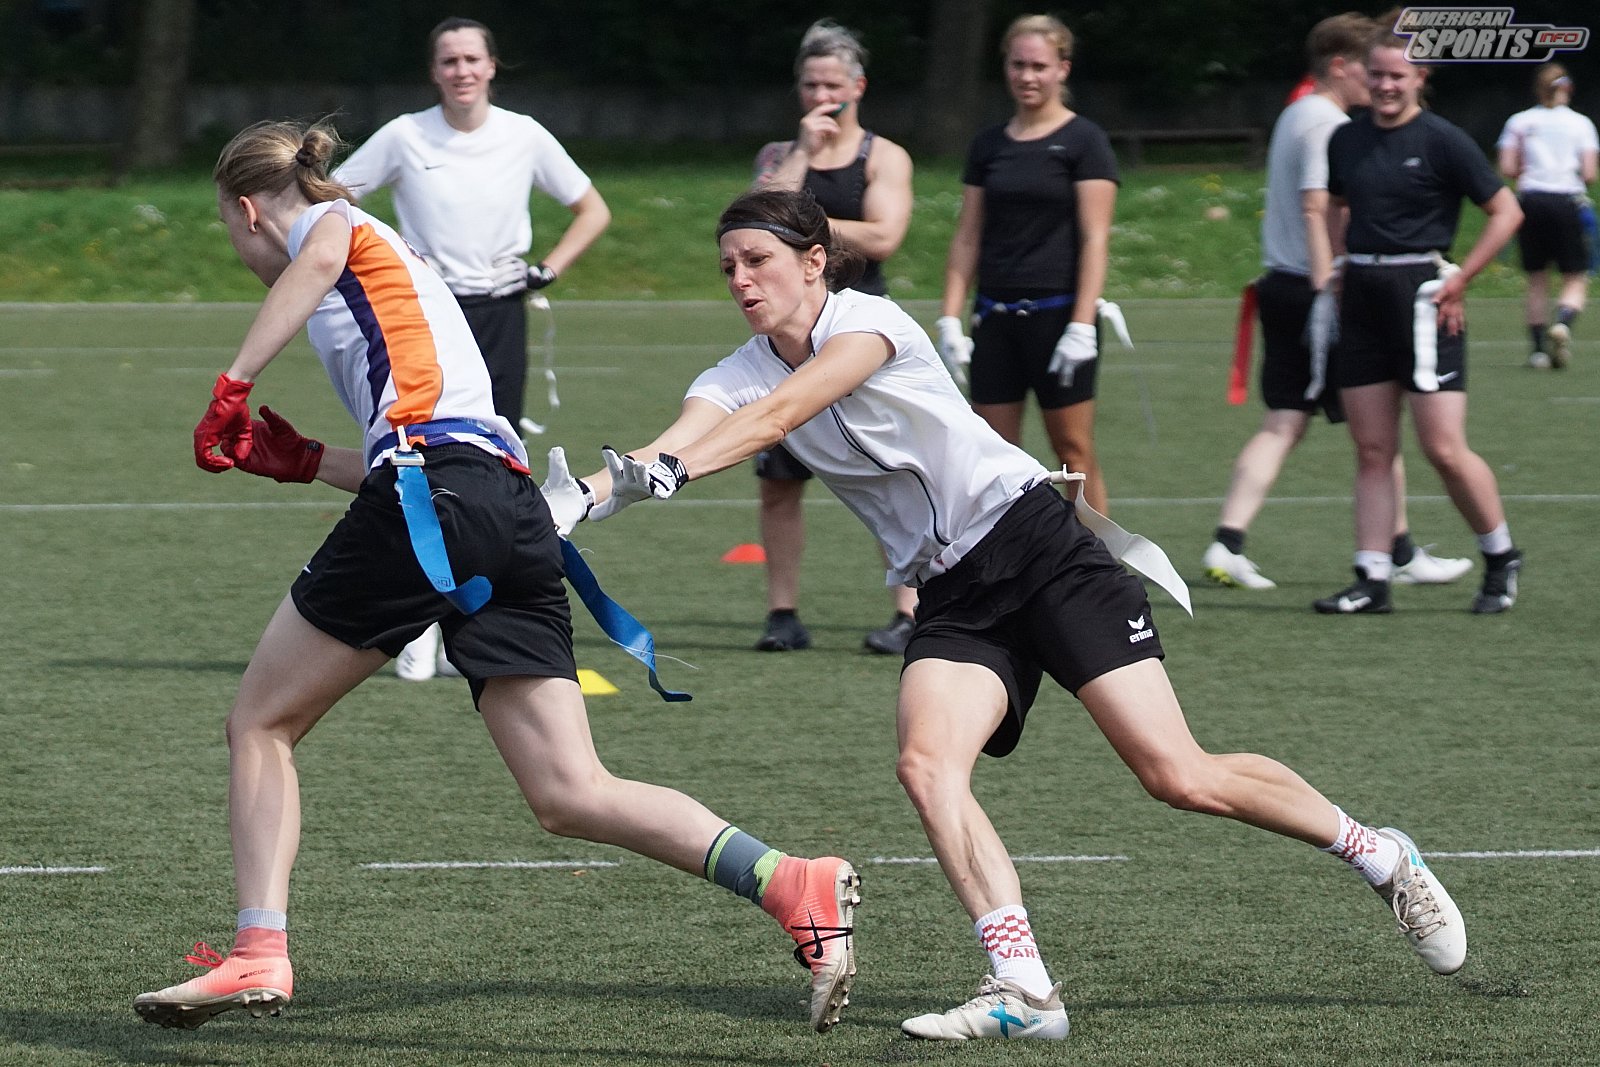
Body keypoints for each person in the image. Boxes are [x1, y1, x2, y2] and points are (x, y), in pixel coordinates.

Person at [548, 186, 1469, 1043]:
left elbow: (781, 415)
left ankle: (1381, 855)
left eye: (758, 261)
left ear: (815, 261)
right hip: (953, 591)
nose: (741, 281)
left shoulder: (868, 325)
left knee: (1178, 775)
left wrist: (677, 469)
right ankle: (1025, 988)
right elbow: (668, 443)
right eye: (729, 267)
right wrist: (571, 501)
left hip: (1039, 545)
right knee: (926, 764)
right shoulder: (738, 369)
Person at [132, 121, 858, 1036]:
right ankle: (789, 880)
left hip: (440, 497)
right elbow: (443, 446)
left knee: (260, 723)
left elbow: (329, 272)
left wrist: (233, 383)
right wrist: (309, 460)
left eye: (229, 229)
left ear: (247, 210)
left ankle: (257, 949)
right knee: (569, 791)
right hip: (505, 510)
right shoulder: (383, 271)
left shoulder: (333, 227)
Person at [336, 17, 612, 680]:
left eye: (472, 59)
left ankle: (474, 628)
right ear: (434, 72)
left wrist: (546, 269)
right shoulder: (405, 135)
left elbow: (593, 209)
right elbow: (334, 200)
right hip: (426, 314)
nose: (461, 71)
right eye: (449, 61)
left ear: (492, 66)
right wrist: (396, 258)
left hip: (500, 311)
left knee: (493, 468)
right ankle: (415, 627)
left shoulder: (524, 134)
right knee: (420, 458)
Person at [1203, 13, 1471, 591]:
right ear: (1342, 66)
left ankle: (1232, 541)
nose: (1376, 81)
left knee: (1292, 423)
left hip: (1282, 282)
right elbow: (1319, 208)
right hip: (1320, 289)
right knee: (1375, 430)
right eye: (1367, 68)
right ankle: (1395, 553)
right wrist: (1333, 288)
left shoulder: (1295, 112)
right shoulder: (1328, 123)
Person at [1313, 30, 1525, 616]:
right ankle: (1371, 578)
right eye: (1377, 74)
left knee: (1443, 448)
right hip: (1362, 298)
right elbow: (1335, 204)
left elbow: (1506, 211)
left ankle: (1501, 555)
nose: (1385, 86)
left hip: (1424, 300)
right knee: (1372, 447)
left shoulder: (1443, 140)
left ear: (1420, 79)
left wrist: (1460, 279)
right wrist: (1338, 263)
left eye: (1397, 76)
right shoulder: (1346, 138)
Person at [747, 19, 918, 654]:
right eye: (811, 86)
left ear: (858, 87)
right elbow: (757, 223)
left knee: (888, 472)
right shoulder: (778, 156)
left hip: (860, 333)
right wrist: (801, 153)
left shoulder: (884, 156)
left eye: (833, 86)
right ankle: (782, 614)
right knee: (779, 478)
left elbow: (884, 236)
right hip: (789, 336)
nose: (822, 97)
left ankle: (910, 612)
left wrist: (800, 230)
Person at [936, 14, 1118, 515]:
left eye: (1039, 66)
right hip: (995, 316)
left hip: (1059, 316)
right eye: (1018, 65)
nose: (1027, 76)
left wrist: (1082, 324)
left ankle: (1097, 557)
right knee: (993, 456)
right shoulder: (988, 144)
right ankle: (1011, 558)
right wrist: (950, 317)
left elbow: (1095, 237)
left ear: (1062, 68)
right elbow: (968, 235)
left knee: (1073, 452)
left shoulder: (1084, 141)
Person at [1496, 62, 1598, 370]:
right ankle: (1563, 323)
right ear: (1567, 88)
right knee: (1575, 276)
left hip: (1530, 201)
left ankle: (1538, 351)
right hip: (1566, 201)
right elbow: (1589, 173)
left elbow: (1507, 167)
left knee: (1537, 279)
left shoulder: (1520, 121)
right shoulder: (1581, 124)